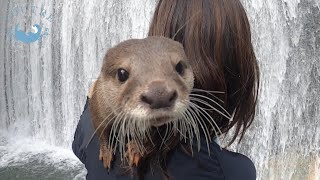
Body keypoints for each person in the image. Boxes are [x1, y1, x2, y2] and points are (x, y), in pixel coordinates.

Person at [72, 0, 260, 179]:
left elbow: (79, 144)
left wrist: (91, 98)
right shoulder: (234, 172)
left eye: (178, 69)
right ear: (241, 69)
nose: (159, 97)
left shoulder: (88, 134)